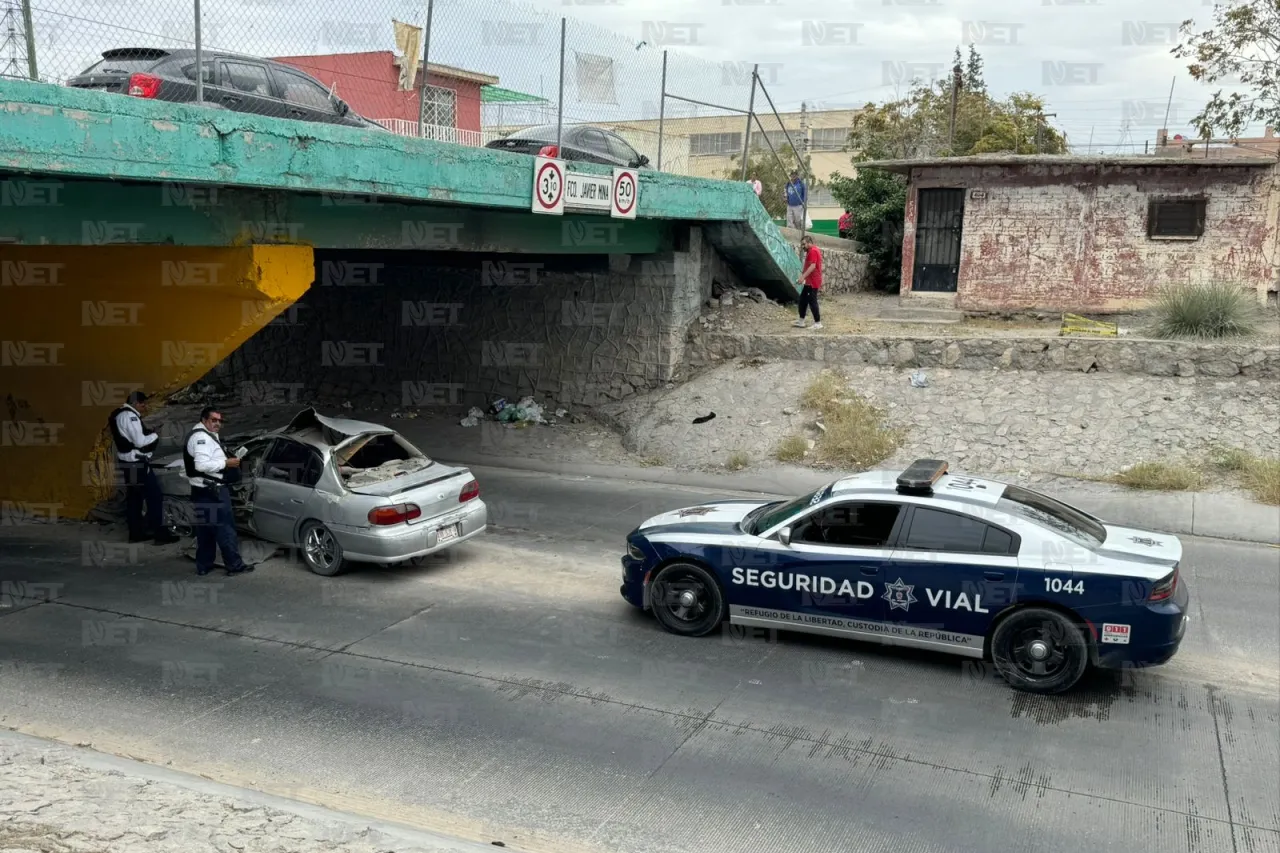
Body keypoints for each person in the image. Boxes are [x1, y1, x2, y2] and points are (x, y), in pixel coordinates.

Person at [184, 407, 250, 577]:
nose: (218, 424)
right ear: (204, 420)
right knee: (225, 529)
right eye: (214, 420)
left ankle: (204, 565)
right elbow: (201, 465)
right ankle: (234, 566)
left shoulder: (201, 434)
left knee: (205, 529)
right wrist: (226, 463)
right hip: (213, 491)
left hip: (201, 489)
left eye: (220, 421)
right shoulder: (202, 438)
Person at [108, 391, 178, 544]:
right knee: (154, 497)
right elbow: (140, 441)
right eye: (142, 404)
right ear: (135, 403)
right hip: (137, 463)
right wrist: (155, 435)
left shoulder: (119, 414)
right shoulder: (130, 417)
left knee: (135, 499)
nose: (144, 407)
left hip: (127, 463)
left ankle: (136, 533)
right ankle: (160, 534)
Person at [793, 234, 823, 330]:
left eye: (804, 244)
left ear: (809, 243)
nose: (802, 247)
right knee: (803, 300)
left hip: (813, 282)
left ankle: (818, 323)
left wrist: (802, 277)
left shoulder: (813, 251)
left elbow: (812, 266)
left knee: (812, 301)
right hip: (809, 281)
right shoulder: (811, 251)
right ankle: (801, 321)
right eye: (802, 244)